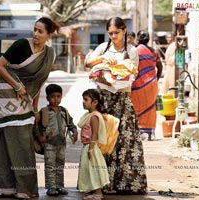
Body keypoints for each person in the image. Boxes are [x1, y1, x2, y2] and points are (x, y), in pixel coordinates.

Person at [0, 17, 59, 199]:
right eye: (34, 29)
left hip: (24, 95)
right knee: (6, 138)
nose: (35, 34)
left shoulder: (49, 54)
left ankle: (22, 187)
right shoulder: (21, 45)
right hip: (5, 92)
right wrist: (17, 86)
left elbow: (38, 83)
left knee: (24, 139)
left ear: (49, 35)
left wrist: (34, 110)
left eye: (40, 31)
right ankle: (7, 187)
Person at [85, 17, 147, 194]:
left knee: (123, 140)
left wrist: (109, 79)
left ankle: (125, 183)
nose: (113, 36)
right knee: (103, 140)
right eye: (110, 33)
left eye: (116, 33)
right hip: (103, 100)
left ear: (124, 30)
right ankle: (104, 183)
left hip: (122, 100)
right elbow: (87, 63)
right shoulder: (103, 48)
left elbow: (130, 76)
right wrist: (102, 60)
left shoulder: (132, 50)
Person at [36, 84, 78, 196]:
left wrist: (74, 131)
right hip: (49, 143)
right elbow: (37, 125)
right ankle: (51, 187)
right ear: (47, 98)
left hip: (62, 143)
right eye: (53, 96)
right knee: (50, 166)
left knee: (60, 165)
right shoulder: (44, 111)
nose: (56, 99)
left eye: (58, 96)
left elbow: (70, 123)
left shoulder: (64, 111)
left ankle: (60, 186)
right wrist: (40, 137)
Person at [77, 89, 110, 200]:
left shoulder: (94, 116)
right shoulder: (89, 115)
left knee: (93, 169)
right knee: (89, 169)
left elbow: (95, 133)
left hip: (91, 147)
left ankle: (98, 193)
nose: (83, 102)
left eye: (86, 100)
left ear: (94, 102)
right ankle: (94, 191)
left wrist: (90, 149)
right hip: (88, 146)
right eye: (83, 99)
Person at [131, 30, 163, 141]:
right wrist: (156, 79)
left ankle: (138, 131)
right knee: (150, 108)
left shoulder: (134, 51)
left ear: (138, 39)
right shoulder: (154, 52)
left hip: (138, 84)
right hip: (152, 84)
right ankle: (150, 133)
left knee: (136, 107)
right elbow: (160, 67)